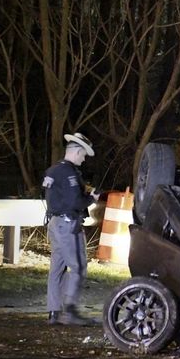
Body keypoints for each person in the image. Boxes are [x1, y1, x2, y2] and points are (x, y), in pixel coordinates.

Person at [42, 133, 100, 326]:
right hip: (68, 226)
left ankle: (54, 312)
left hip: (55, 224)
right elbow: (75, 202)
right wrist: (92, 198)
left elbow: (58, 196)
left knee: (56, 269)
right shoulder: (69, 172)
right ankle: (70, 312)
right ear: (76, 152)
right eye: (83, 154)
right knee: (78, 267)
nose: (84, 159)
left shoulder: (54, 169)